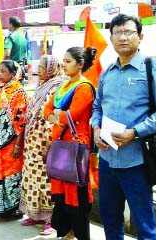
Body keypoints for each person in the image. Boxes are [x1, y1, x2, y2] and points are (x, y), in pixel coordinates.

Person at [91, 14, 156, 240]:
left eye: (128, 32)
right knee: (111, 220)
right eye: (117, 33)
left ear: (140, 36)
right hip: (108, 160)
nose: (122, 37)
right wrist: (96, 129)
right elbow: (97, 107)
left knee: (145, 225)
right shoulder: (107, 73)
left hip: (137, 161)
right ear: (110, 39)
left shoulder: (153, 68)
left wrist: (135, 132)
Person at [43, 47, 96, 240]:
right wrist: (57, 115)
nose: (63, 65)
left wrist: (57, 115)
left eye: (68, 61)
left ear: (80, 64)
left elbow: (71, 116)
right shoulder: (63, 86)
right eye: (63, 61)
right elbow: (46, 110)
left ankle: (78, 233)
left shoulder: (84, 87)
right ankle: (66, 233)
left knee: (76, 192)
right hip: (60, 144)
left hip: (75, 147)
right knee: (61, 192)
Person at [19, 55, 63, 235]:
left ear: (52, 68)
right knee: (30, 176)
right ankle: (34, 214)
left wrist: (50, 142)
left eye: (43, 67)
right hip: (32, 139)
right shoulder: (41, 85)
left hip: (45, 138)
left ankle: (51, 220)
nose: (40, 71)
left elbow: (53, 115)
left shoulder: (57, 86)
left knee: (45, 178)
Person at [0, 60, 28, 217]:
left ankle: (13, 208)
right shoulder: (0, 91)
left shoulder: (19, 93)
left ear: (13, 74)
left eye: (3, 72)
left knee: (11, 173)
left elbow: (21, 122)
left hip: (11, 141)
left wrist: (18, 145)